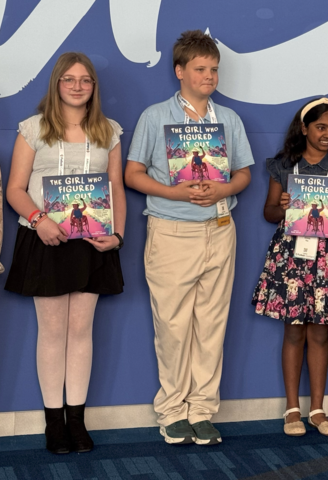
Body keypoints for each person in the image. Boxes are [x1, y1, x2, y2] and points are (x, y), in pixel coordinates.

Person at [125, 30, 254, 445]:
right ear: (180, 71)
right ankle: (172, 411)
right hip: (171, 229)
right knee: (174, 325)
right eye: (200, 69)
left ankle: (202, 410)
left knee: (212, 324)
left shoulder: (228, 120)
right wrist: (173, 192)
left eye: (214, 69)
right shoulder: (155, 116)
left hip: (220, 228)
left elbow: (244, 174)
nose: (209, 76)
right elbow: (132, 174)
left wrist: (225, 189)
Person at [4, 52, 126, 453]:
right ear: (57, 84)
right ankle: (53, 423)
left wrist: (118, 235)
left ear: (94, 86)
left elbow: (116, 189)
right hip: (44, 241)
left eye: (85, 80)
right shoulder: (34, 129)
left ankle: (77, 420)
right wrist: (40, 220)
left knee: (81, 332)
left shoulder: (108, 131)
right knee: (53, 332)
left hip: (92, 243)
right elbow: (15, 189)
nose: (77, 86)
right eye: (69, 79)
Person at [252, 97, 328, 437]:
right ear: (304, 129)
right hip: (293, 259)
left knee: (320, 333)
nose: (327, 134)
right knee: (294, 331)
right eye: (319, 127)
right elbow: (268, 213)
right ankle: (292, 409)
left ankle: (317, 408)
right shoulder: (284, 166)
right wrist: (283, 205)